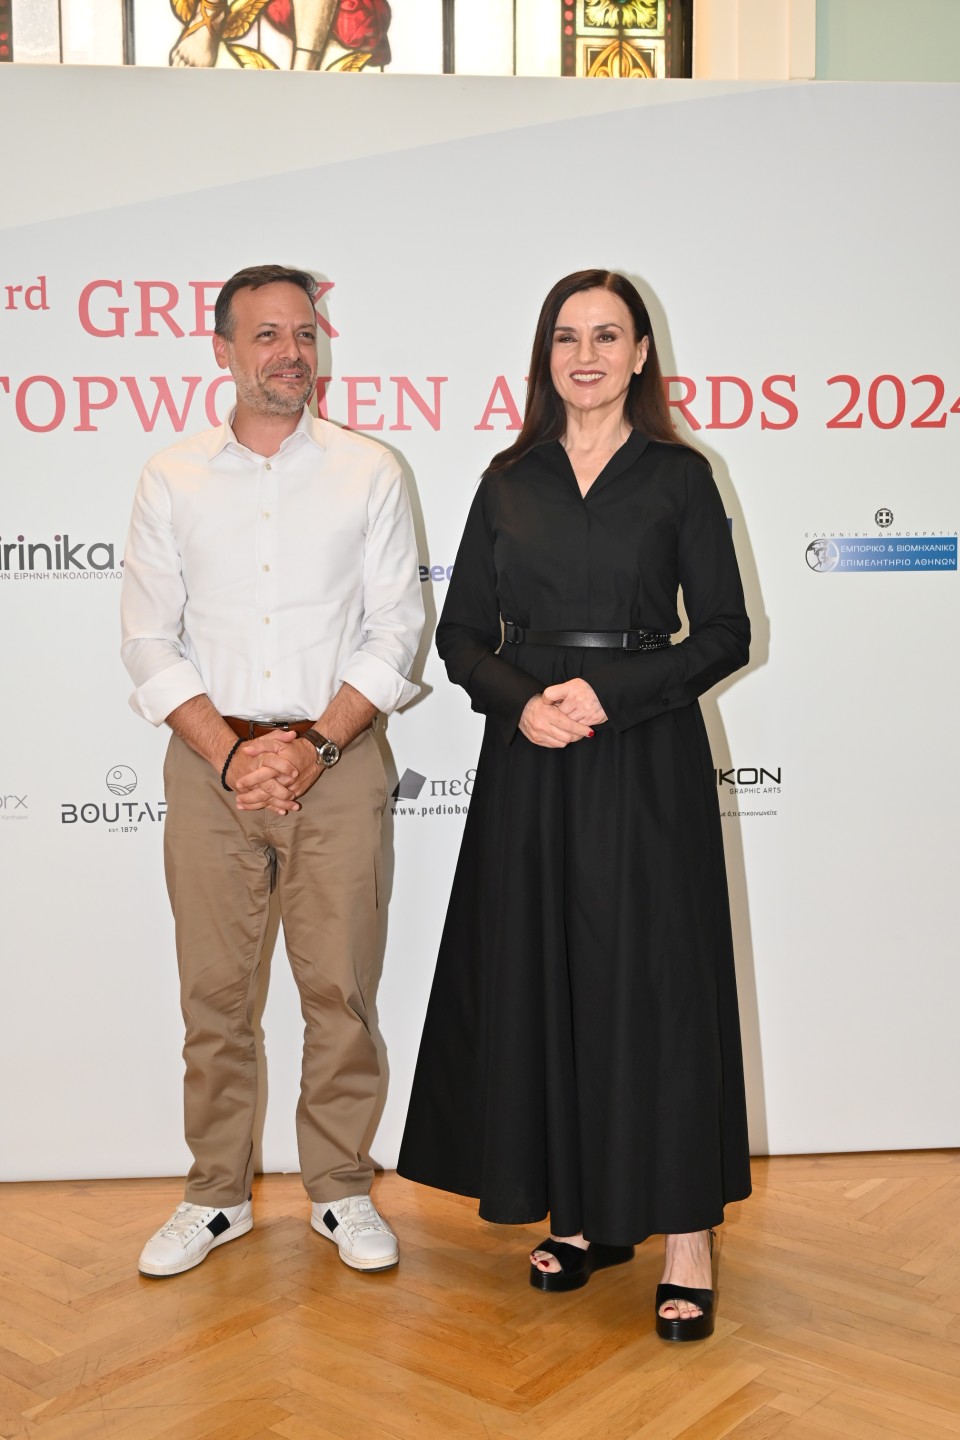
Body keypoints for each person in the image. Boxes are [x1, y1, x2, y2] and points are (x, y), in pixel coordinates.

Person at [398, 269, 751, 1341]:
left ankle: (685, 1236)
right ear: (544, 356)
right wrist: (522, 704)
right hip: (533, 758)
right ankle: (586, 1215)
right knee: (547, 981)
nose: (585, 356)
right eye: (567, 336)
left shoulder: (681, 476)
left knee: (660, 989)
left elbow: (725, 632)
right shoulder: (509, 478)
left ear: (642, 354)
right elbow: (463, 633)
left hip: (645, 755)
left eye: (607, 336)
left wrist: (612, 694)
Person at [121, 263, 423, 1278]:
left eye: (304, 334)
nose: (292, 353)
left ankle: (339, 1189)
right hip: (210, 766)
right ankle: (216, 1196)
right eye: (267, 335)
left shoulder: (369, 471)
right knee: (214, 999)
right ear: (222, 350)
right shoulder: (171, 476)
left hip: (338, 760)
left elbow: (396, 630)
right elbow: (147, 640)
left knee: (340, 991)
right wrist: (232, 754)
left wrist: (313, 746)